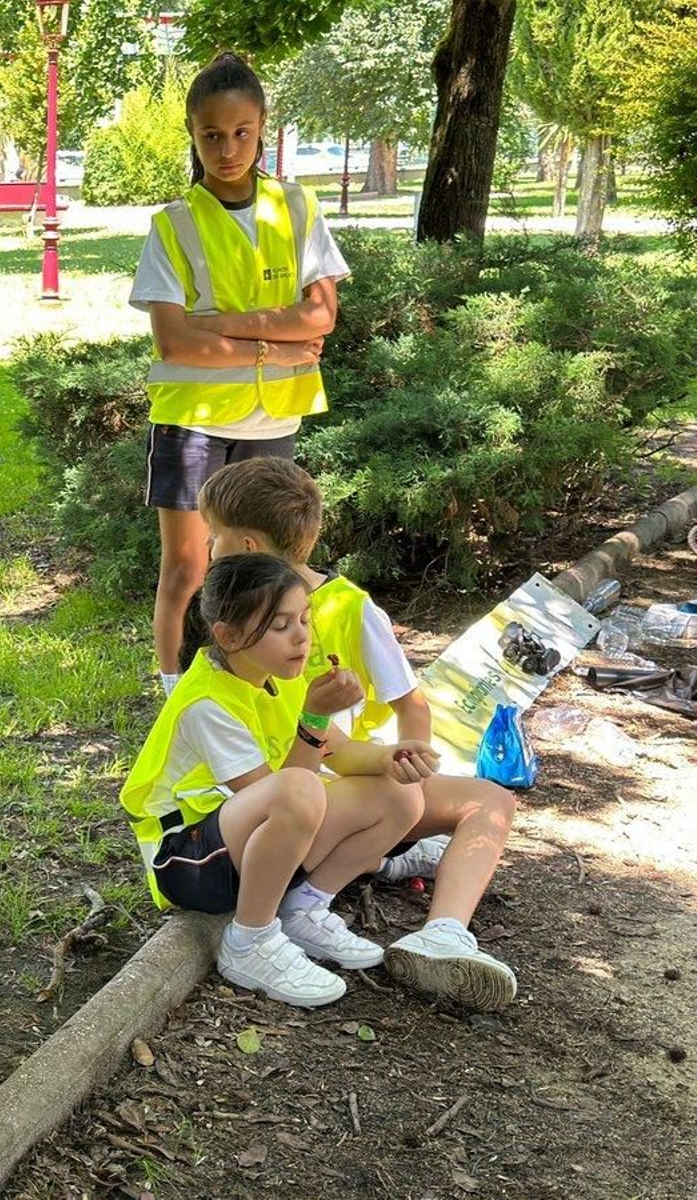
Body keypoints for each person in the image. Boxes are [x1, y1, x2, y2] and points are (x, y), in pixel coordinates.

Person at [196, 457, 519, 1010]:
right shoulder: (230, 625)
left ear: (246, 546)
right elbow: (266, 771)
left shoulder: (348, 608)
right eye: (284, 626)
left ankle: (443, 932)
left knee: (492, 800)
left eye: (214, 535)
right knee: (341, 798)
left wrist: (407, 766)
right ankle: (362, 869)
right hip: (289, 798)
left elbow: (409, 708)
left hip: (351, 773)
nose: (207, 547)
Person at [129, 51, 351, 691]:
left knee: (271, 568)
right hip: (192, 423)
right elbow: (175, 342)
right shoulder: (173, 225)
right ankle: (174, 695)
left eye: (241, 133)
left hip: (269, 421)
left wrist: (222, 324)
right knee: (187, 569)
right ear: (193, 135)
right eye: (211, 135)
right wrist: (273, 347)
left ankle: (258, 691)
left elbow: (321, 316)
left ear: (262, 129)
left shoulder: (299, 209)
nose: (227, 150)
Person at [120, 554, 430, 1008]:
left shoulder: (278, 676)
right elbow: (284, 792)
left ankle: (303, 907)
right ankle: (249, 941)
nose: (301, 636)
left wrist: (393, 756)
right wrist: (314, 717)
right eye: (280, 625)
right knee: (301, 790)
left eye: (304, 619)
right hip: (185, 860)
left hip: (248, 843)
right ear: (229, 636)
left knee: (400, 796)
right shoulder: (205, 702)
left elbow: (342, 753)